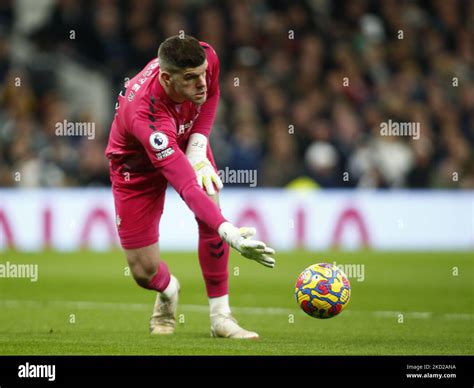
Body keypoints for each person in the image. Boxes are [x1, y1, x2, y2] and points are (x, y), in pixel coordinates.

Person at [105, 35, 275, 339]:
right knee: (144, 273)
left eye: (203, 73)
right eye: (191, 78)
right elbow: (185, 185)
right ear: (166, 78)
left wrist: (197, 146)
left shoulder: (205, 58)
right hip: (136, 172)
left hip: (184, 141)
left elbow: (211, 96)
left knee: (210, 203)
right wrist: (230, 232)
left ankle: (220, 317)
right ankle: (169, 291)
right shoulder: (144, 114)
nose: (202, 82)